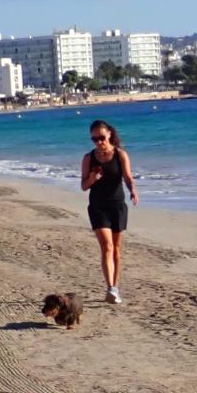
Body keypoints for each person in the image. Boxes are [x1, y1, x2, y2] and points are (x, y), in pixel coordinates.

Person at [79, 119, 136, 303]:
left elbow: (128, 177)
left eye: (101, 138)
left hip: (117, 205)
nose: (98, 142)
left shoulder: (120, 154)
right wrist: (93, 178)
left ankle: (115, 287)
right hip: (97, 206)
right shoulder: (89, 158)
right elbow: (83, 186)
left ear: (109, 134)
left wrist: (133, 190)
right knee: (107, 247)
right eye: (94, 139)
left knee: (117, 249)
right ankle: (110, 288)